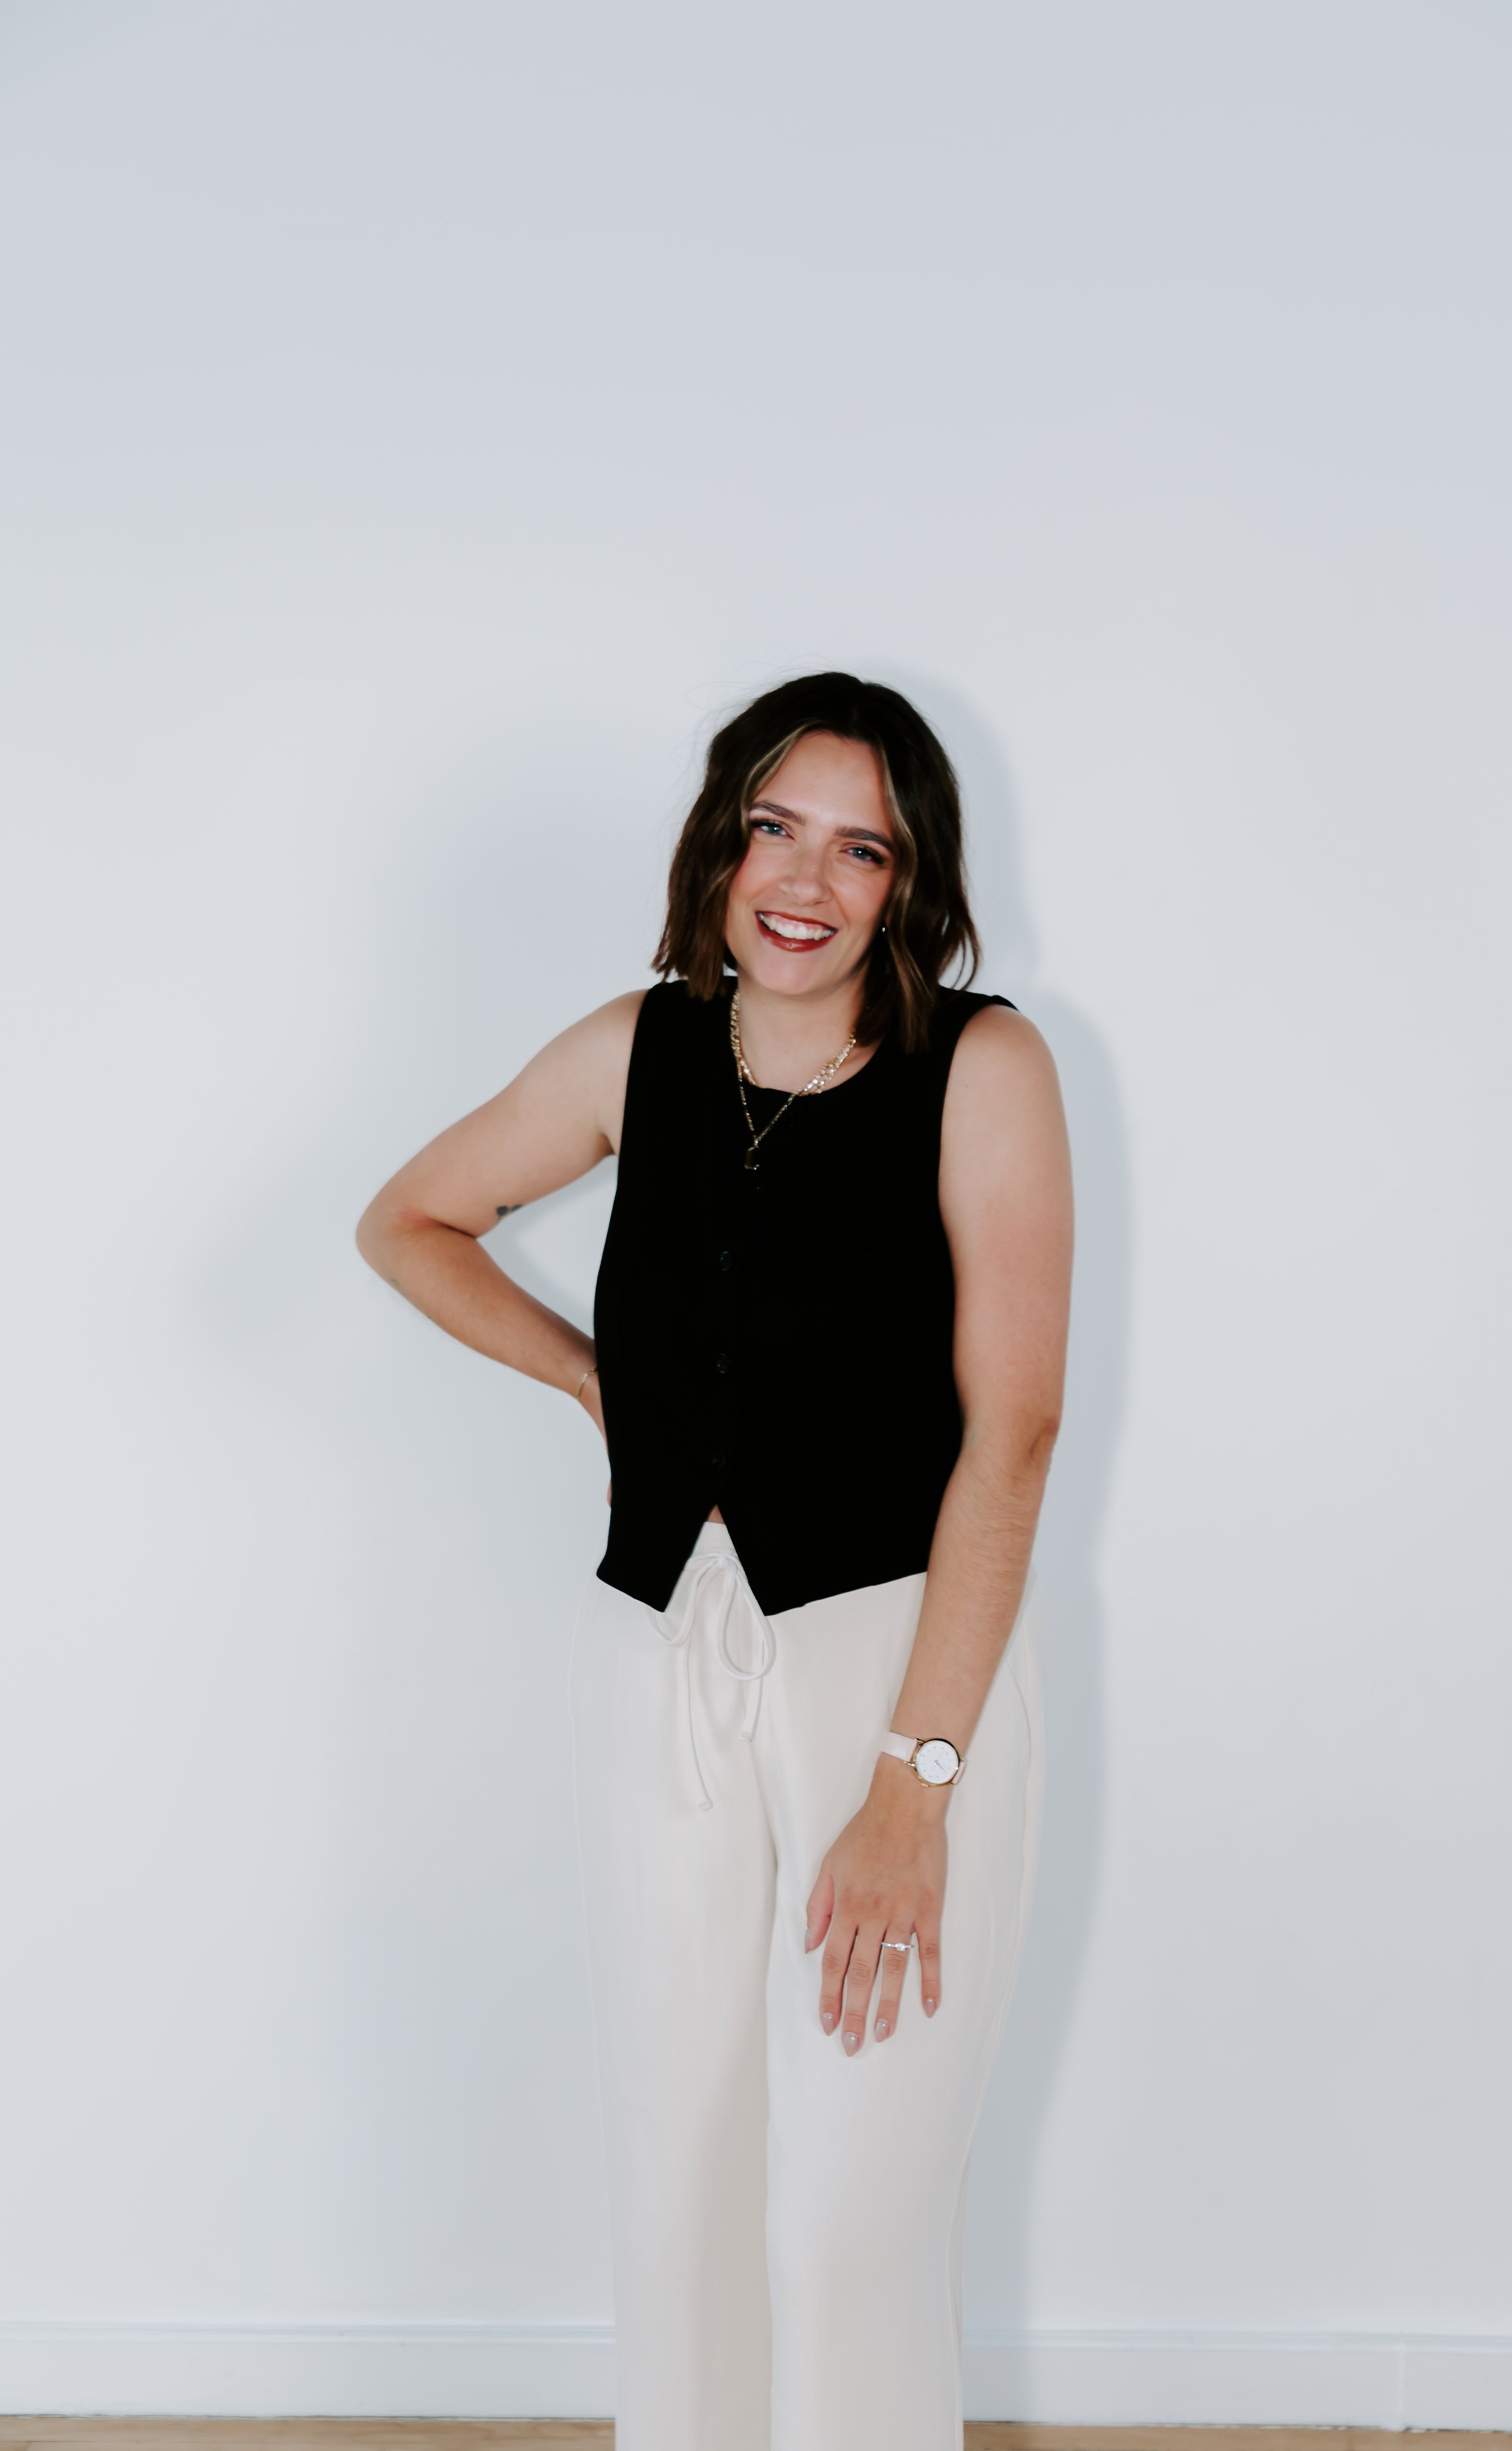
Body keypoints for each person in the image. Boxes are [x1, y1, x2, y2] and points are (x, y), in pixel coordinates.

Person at [355, 671, 1073, 2451]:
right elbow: (411, 1221)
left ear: (910, 882)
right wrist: (598, 1383)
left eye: (862, 848)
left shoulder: (982, 1067)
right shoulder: (637, 1049)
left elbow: (1015, 1436)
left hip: (895, 1663)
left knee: (843, 2225)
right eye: (775, 829)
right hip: (654, 1656)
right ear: (720, 844)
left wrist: (913, 1787)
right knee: (679, 2190)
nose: (806, 881)